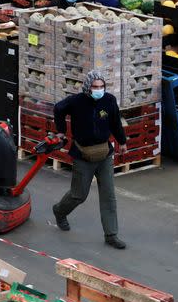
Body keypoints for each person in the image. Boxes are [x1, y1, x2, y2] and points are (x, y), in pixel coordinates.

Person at [52, 70, 127, 249]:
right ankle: (59, 211)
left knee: (109, 196)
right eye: (95, 87)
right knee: (79, 195)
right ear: (88, 87)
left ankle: (111, 234)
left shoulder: (109, 100)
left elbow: (115, 121)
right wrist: (61, 130)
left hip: (104, 155)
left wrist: (122, 141)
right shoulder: (76, 101)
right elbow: (58, 109)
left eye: (101, 86)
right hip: (83, 156)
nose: (98, 90)